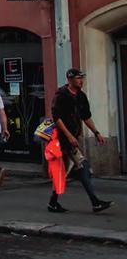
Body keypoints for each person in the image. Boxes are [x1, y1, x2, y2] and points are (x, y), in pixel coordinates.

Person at [48, 68, 113, 214]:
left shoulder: (81, 96)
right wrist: (69, 136)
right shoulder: (61, 96)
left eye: (82, 78)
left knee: (62, 171)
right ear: (70, 80)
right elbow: (57, 118)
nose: (81, 81)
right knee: (82, 165)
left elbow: (86, 116)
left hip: (73, 138)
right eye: (78, 78)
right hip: (62, 139)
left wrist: (96, 132)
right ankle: (95, 202)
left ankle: (53, 202)